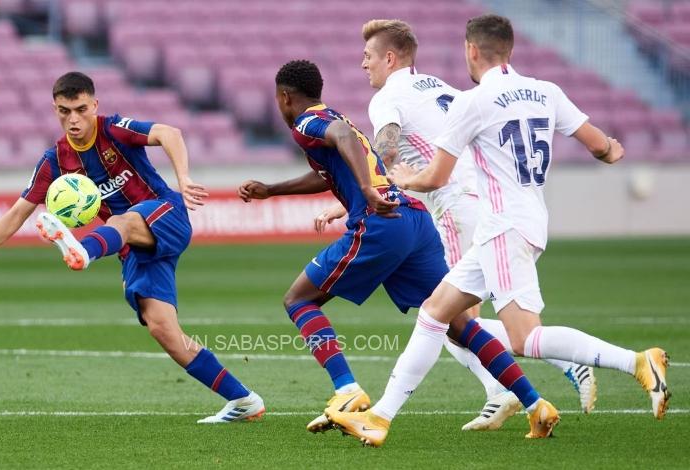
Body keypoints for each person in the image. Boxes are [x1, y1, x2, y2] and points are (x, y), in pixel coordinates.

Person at [327, 14, 669, 447]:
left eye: (367, 56)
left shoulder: (470, 101)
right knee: (436, 313)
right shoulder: (544, 91)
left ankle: (631, 361)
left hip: (493, 221)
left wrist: (401, 180)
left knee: (522, 337)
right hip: (516, 218)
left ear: (471, 50)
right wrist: (613, 150)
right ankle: (380, 417)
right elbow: (602, 146)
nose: (362, 63)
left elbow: (426, 172)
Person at [238, 59, 555, 439]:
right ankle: (536, 404)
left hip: (381, 223)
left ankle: (347, 390)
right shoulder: (332, 115)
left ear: (285, 97)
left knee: (299, 300)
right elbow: (330, 168)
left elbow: (344, 137)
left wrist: (366, 191)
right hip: (415, 219)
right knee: (458, 324)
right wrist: (273, 190)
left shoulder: (308, 123)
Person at [0, 71, 264, 423]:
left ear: (94, 105)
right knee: (163, 329)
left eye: (81, 109)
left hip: (165, 213)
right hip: (130, 247)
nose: (74, 119)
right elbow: (19, 211)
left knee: (122, 221)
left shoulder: (113, 129)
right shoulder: (55, 161)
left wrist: (183, 178)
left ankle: (83, 251)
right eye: (65, 111)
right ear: (55, 110)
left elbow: (168, 133)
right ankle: (243, 400)